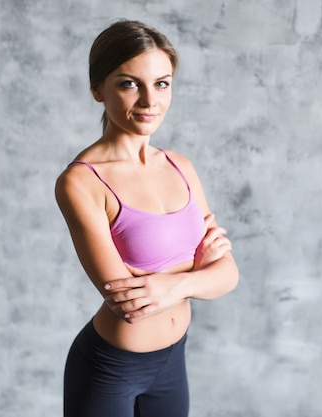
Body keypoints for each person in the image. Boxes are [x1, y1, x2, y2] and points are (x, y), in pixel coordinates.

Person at [55, 20, 239, 417]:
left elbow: (229, 275)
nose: (149, 101)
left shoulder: (180, 166)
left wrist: (170, 286)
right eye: (128, 83)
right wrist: (198, 274)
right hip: (110, 369)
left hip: (173, 361)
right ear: (97, 89)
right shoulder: (81, 182)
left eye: (161, 83)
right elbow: (128, 302)